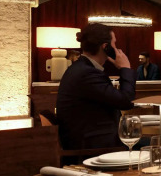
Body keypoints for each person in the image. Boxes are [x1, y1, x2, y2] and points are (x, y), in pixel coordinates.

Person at [55, 23, 136, 151]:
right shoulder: (87, 73)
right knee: (157, 145)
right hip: (93, 148)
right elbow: (126, 101)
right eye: (114, 44)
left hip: (95, 140)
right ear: (105, 47)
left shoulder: (82, 68)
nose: (116, 48)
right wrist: (125, 68)